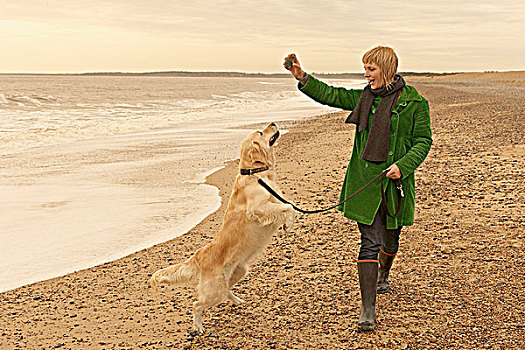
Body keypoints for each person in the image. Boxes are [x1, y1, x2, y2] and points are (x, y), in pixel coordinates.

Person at [283, 46, 432, 331]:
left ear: (386, 69)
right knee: (369, 242)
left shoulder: (415, 103)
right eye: (365, 69)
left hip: (395, 184)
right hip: (365, 183)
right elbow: (331, 94)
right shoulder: (363, 98)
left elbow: (423, 141)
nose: (366, 75)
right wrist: (302, 77)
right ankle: (368, 308)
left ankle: (384, 272)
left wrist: (403, 165)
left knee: (390, 240)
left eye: (371, 69)